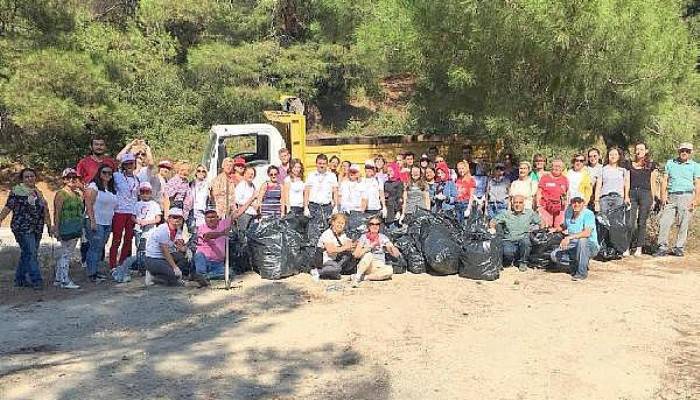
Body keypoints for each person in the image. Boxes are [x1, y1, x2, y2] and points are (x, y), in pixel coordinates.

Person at [0, 168, 52, 289]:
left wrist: (49, 225)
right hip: (22, 227)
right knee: (31, 252)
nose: (29, 179)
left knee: (27, 253)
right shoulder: (16, 192)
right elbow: (8, 208)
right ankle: (36, 280)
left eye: (32, 176)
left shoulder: (38, 192)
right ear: (22, 179)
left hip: (37, 227)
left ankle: (20, 279)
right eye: (26, 177)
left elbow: (45, 209)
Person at [654, 142, 700, 257]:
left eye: (687, 151)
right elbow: (665, 180)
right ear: (679, 151)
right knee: (665, 221)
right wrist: (663, 195)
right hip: (671, 196)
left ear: (690, 153)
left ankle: (679, 247)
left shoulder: (695, 166)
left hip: (686, 196)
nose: (684, 153)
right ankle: (662, 247)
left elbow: (697, 183)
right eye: (682, 150)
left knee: (684, 222)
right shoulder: (670, 163)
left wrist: (696, 199)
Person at [550, 196, 599, 281]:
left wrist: (569, 237)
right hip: (572, 245)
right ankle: (579, 262)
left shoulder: (588, 214)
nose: (576, 204)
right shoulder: (568, 212)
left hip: (589, 245)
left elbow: (587, 233)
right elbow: (565, 226)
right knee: (554, 255)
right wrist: (555, 229)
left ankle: (581, 273)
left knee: (582, 241)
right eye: (574, 202)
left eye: (579, 202)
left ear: (583, 203)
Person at [489, 195, 543, 271]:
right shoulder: (506, 214)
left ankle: (523, 262)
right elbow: (493, 221)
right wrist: (492, 228)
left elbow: (541, 223)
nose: (518, 205)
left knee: (526, 242)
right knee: (508, 254)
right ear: (512, 204)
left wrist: (538, 230)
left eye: (520, 203)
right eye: (515, 203)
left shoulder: (530, 213)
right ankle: (512, 260)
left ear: (524, 204)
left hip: (523, 239)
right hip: (509, 240)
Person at [84, 164, 118, 282]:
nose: (107, 175)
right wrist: (92, 221)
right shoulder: (93, 186)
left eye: (110, 173)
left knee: (100, 248)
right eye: (104, 172)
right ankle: (91, 273)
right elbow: (88, 204)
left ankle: (95, 270)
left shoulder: (111, 189)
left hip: (106, 223)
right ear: (99, 173)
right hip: (96, 221)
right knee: (94, 247)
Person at [144, 208, 192, 286]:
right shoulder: (163, 230)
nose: (177, 220)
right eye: (174, 217)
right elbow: (165, 251)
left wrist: (187, 249)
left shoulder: (177, 229)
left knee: (183, 259)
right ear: (169, 219)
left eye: (180, 218)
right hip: (153, 259)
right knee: (173, 278)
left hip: (163, 257)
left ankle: (169, 274)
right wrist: (175, 267)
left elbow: (180, 246)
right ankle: (153, 275)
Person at [52, 168, 83, 289]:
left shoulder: (77, 194)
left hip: (75, 226)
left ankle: (59, 278)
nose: (72, 180)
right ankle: (64, 280)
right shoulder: (61, 194)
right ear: (64, 180)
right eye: (68, 178)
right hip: (65, 226)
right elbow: (57, 212)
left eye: (74, 177)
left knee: (66, 253)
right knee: (66, 254)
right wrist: (56, 228)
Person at [350, 216, 400, 287]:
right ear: (369, 226)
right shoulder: (364, 237)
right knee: (369, 255)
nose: (375, 226)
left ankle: (363, 277)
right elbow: (356, 255)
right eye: (372, 224)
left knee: (389, 270)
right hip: (366, 265)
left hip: (379, 266)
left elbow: (396, 254)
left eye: (377, 224)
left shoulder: (383, 237)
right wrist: (370, 246)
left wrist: (391, 246)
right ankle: (357, 278)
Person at [109, 152, 140, 270]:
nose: (129, 166)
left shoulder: (137, 179)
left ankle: (122, 263)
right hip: (119, 211)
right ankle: (112, 265)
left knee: (128, 239)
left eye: (131, 163)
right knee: (116, 239)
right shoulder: (117, 175)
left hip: (131, 212)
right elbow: (116, 158)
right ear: (123, 165)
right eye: (126, 164)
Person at [627, 143, 658, 256]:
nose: (639, 151)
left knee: (642, 221)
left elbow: (653, 183)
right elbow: (627, 181)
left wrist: (654, 198)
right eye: (637, 149)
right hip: (632, 193)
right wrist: (626, 195)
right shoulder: (629, 164)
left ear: (646, 151)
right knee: (630, 221)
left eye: (641, 149)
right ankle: (627, 246)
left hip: (645, 193)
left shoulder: (651, 165)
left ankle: (639, 247)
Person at [312, 213, 355, 281]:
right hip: (324, 259)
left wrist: (352, 244)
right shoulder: (327, 234)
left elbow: (347, 244)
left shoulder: (342, 234)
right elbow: (330, 250)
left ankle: (332, 273)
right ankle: (318, 271)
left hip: (334, 259)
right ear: (333, 222)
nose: (340, 225)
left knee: (348, 256)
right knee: (337, 268)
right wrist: (345, 247)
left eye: (342, 223)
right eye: (338, 222)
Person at [193, 208, 231, 280]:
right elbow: (208, 236)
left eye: (213, 217)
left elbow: (237, 213)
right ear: (205, 219)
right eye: (208, 217)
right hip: (204, 262)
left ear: (217, 218)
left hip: (217, 263)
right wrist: (223, 233)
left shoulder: (223, 224)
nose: (211, 219)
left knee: (229, 272)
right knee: (198, 255)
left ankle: (205, 277)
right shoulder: (201, 227)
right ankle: (202, 276)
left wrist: (252, 198)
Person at [594, 146, 630, 214]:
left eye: (615, 154)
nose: (613, 156)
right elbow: (598, 186)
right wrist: (596, 201)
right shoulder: (602, 169)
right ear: (608, 156)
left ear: (619, 156)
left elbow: (626, 185)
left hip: (619, 198)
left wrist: (626, 197)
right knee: (604, 221)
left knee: (617, 222)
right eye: (611, 154)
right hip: (604, 198)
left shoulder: (623, 170)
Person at [304, 154, 339, 219]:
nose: (322, 165)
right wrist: (305, 207)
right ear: (316, 164)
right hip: (313, 207)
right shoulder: (310, 175)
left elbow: (335, 192)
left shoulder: (332, 176)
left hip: (327, 207)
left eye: (324, 163)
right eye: (320, 163)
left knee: (326, 228)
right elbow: (306, 192)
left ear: (327, 164)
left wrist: (336, 206)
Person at [536, 159, 568, 228]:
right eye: (555, 166)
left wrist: (565, 204)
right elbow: (539, 192)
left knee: (558, 228)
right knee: (547, 227)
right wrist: (538, 206)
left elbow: (566, 193)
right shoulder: (545, 177)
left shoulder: (565, 179)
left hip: (560, 208)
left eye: (559, 166)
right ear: (551, 167)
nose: (557, 168)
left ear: (562, 168)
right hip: (546, 207)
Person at [187, 164, 211, 232]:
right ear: (196, 173)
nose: (201, 173)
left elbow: (211, 198)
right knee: (192, 233)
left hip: (202, 211)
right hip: (192, 211)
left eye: (203, 171)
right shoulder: (191, 184)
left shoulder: (208, 185)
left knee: (202, 232)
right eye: (199, 171)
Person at [233, 166, 258, 233]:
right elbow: (237, 199)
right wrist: (251, 203)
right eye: (248, 173)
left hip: (252, 214)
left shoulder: (253, 186)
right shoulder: (241, 185)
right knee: (243, 234)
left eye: (252, 174)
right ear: (244, 175)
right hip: (244, 214)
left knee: (251, 235)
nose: (250, 175)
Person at [384, 162, 404, 226]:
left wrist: (398, 211)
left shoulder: (399, 183)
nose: (388, 172)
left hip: (394, 209)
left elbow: (400, 197)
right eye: (387, 171)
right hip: (387, 208)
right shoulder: (386, 183)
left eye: (390, 171)